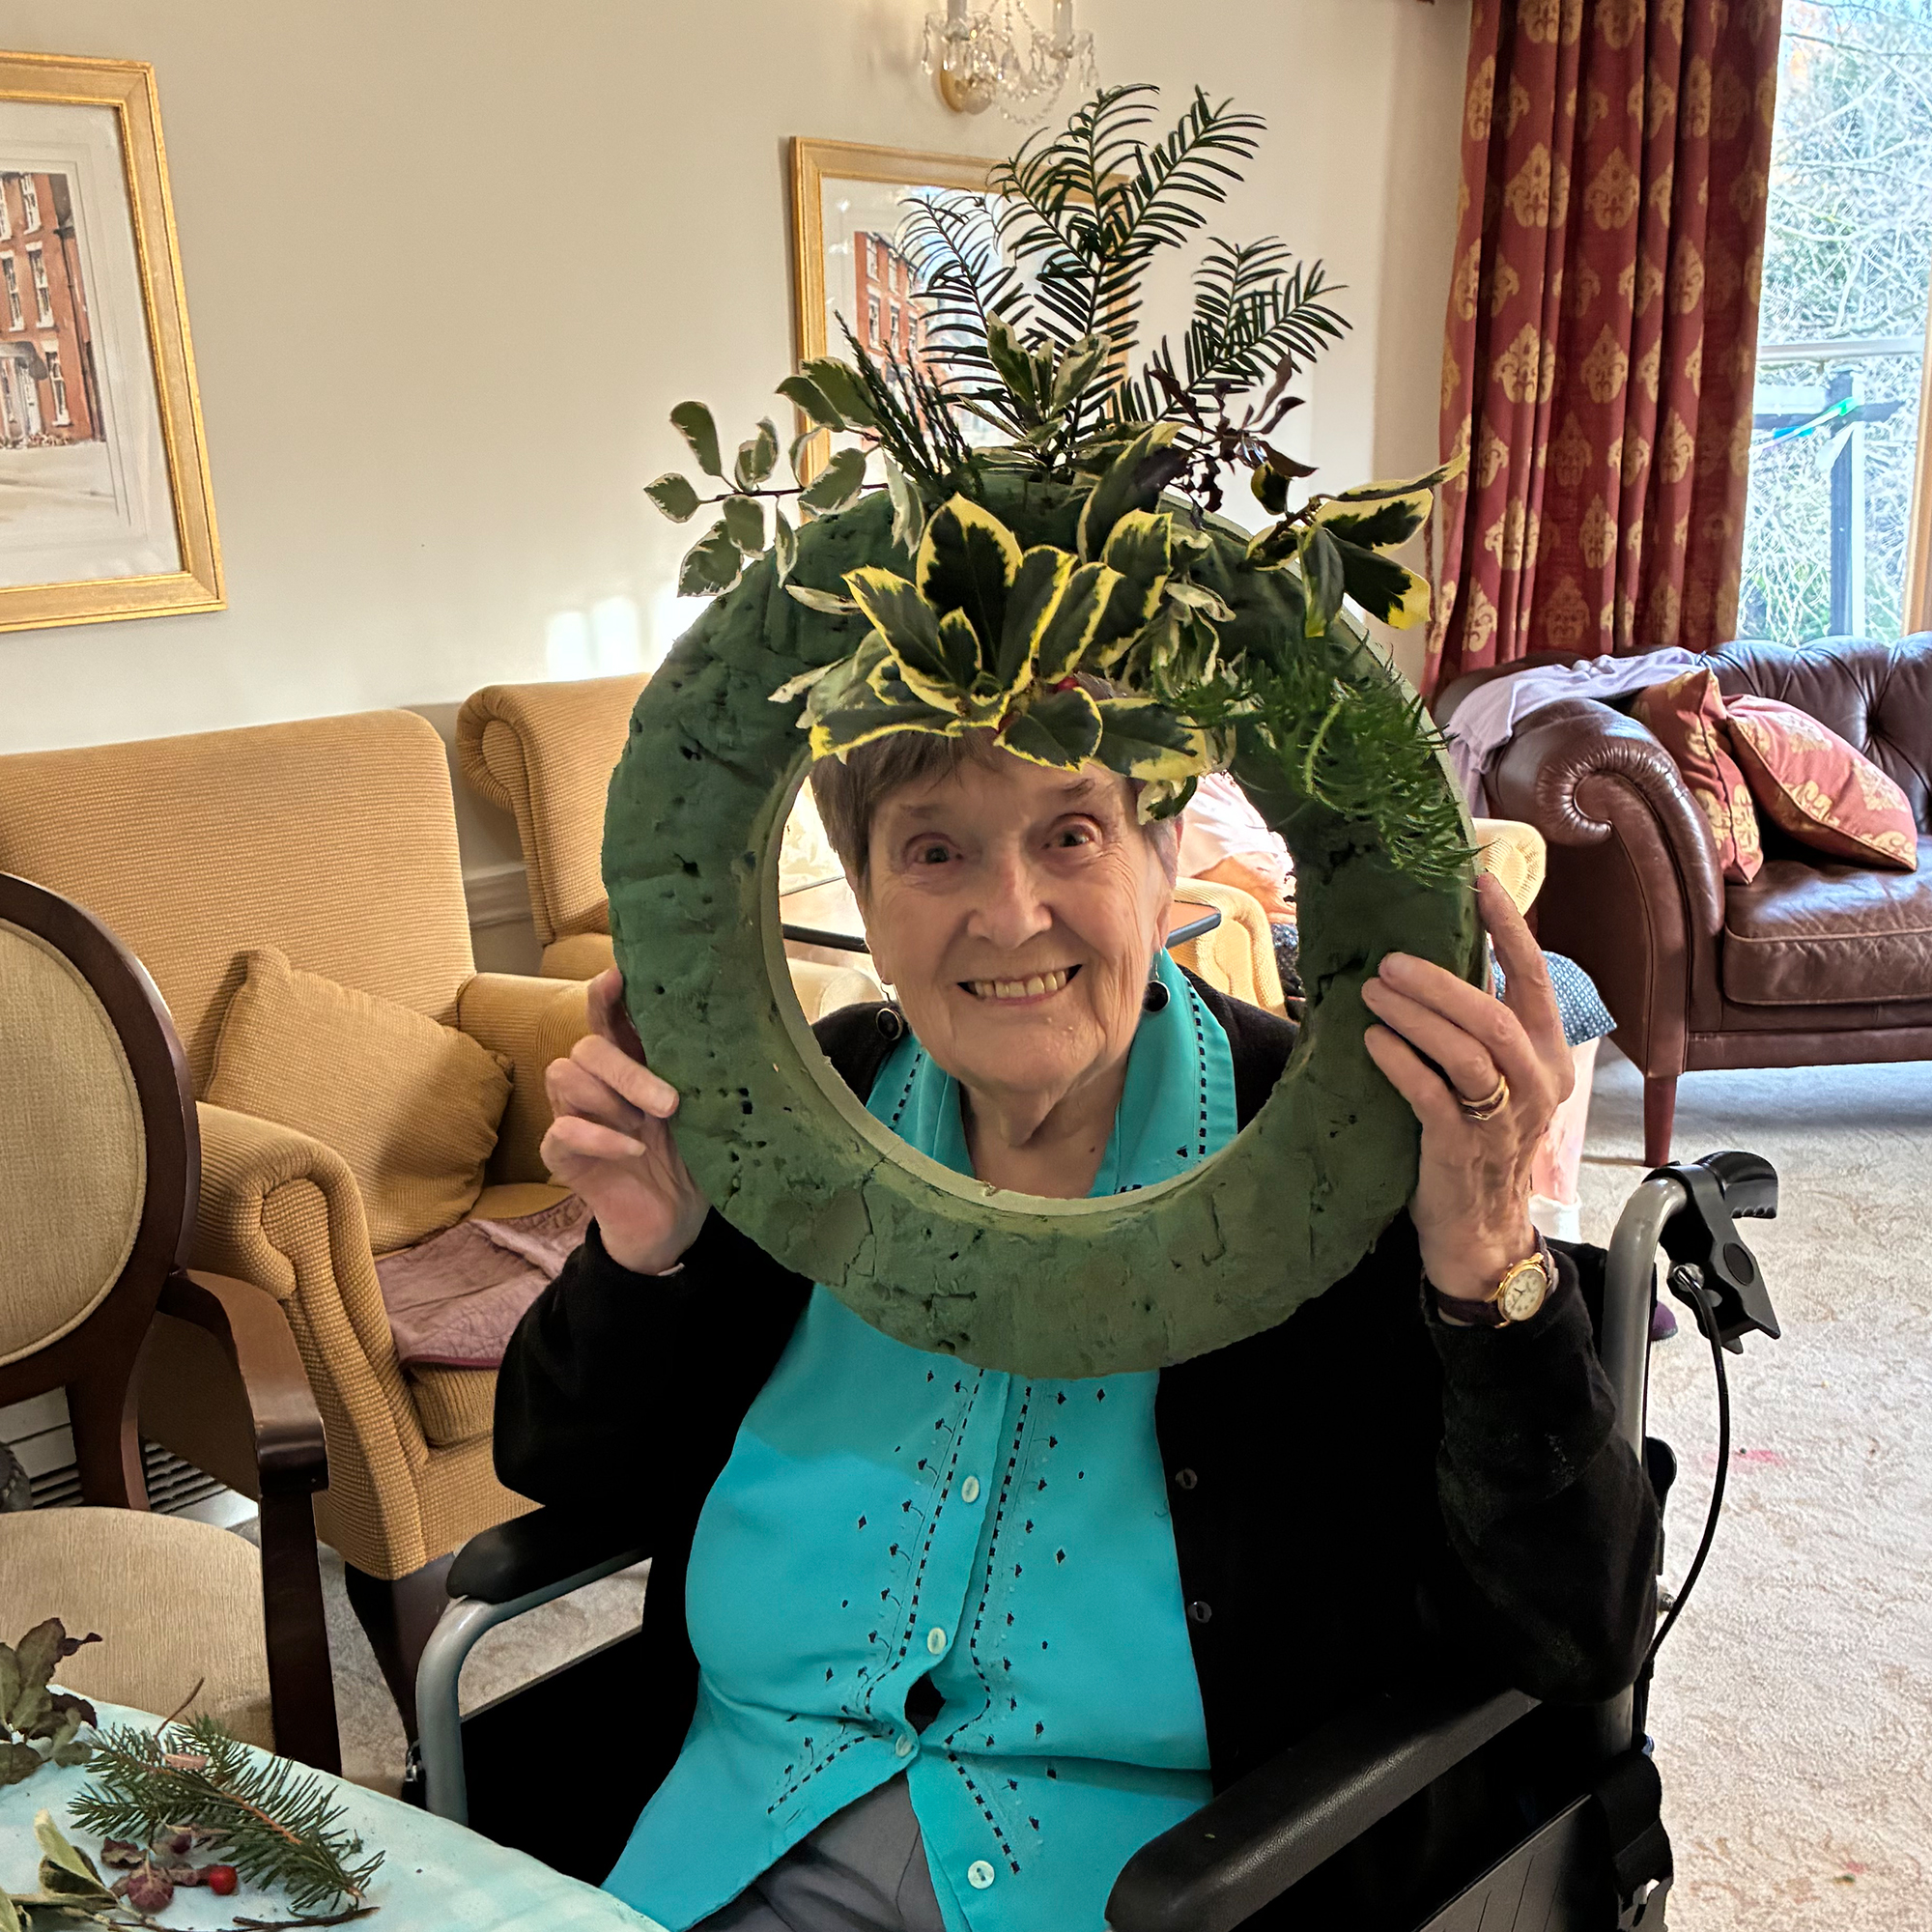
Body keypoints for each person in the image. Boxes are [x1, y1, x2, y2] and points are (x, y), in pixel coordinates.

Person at [494, 725, 1660, 1932]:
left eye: (1070, 835)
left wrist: (1484, 1263)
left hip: (1150, 1890)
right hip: (726, 1846)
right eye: (933, 851)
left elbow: (1573, 1637)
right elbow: (564, 1470)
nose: (1009, 915)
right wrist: (644, 1257)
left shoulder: (1335, 1153)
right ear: (865, 901)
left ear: (1164, 865)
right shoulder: (799, 1113)